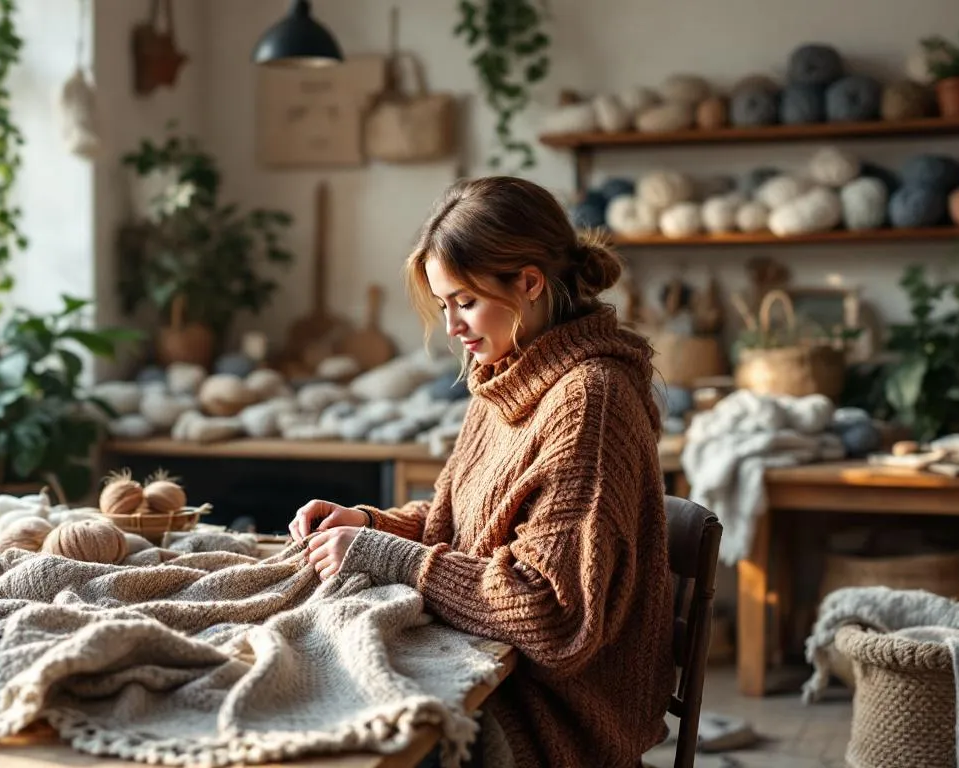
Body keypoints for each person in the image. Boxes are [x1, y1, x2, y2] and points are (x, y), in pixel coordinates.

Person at [289, 176, 675, 767]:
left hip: (550, 715)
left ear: (529, 283)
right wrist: (369, 523)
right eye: (444, 306)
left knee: (326, 725)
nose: (451, 328)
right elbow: (460, 524)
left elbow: (552, 615)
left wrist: (382, 555)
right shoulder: (510, 374)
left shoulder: (589, 401)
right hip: (488, 664)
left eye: (464, 302)